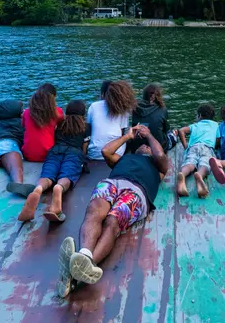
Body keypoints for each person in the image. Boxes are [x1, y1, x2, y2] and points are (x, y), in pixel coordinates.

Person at [55, 124, 168, 296]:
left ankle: (81, 268)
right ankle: (84, 255)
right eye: (142, 145)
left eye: (147, 146)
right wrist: (128, 136)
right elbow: (106, 151)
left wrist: (149, 135)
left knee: (112, 221)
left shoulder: (158, 168)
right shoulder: (123, 159)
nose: (144, 146)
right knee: (93, 211)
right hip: (113, 182)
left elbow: (160, 154)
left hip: (137, 190)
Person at [18, 100, 90, 223]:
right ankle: (59, 188)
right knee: (67, 174)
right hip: (74, 153)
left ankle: (38, 189)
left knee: (47, 174)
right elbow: (84, 148)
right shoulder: (86, 126)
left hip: (55, 150)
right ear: (83, 113)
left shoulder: (61, 123)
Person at [177, 104, 219, 198]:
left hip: (193, 147)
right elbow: (218, 139)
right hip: (207, 148)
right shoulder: (215, 125)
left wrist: (185, 146)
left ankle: (182, 174)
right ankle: (200, 175)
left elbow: (181, 131)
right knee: (205, 164)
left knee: (190, 163)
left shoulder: (195, 125)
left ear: (199, 116)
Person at [87, 80, 136, 161]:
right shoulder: (123, 109)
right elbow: (122, 132)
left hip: (94, 154)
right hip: (116, 153)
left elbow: (89, 129)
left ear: (103, 94)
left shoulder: (93, 106)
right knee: (128, 139)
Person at [21, 86, 64, 162]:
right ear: (53, 98)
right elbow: (61, 126)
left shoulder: (27, 112)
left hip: (27, 155)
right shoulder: (57, 112)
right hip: (48, 155)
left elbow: (24, 126)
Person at [130, 84, 178, 152]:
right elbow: (166, 129)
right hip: (159, 147)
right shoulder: (162, 109)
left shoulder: (135, 109)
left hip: (138, 147)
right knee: (174, 133)